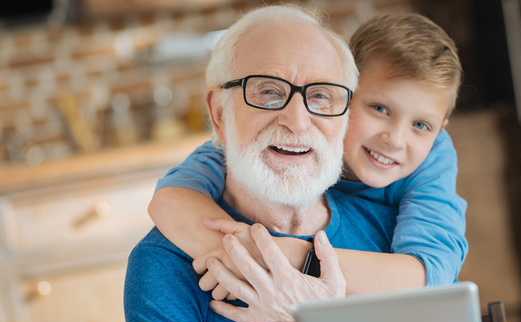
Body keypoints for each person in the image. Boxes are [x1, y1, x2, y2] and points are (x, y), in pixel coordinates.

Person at [124, 5, 500, 322]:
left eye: (321, 97)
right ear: (218, 113)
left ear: (340, 112)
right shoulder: (167, 260)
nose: (297, 121)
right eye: (268, 92)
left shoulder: (394, 225)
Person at [147, 12, 468, 303]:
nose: (396, 139)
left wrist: (285, 254)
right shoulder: (269, 141)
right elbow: (171, 200)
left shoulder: (431, 157)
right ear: (340, 95)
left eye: (421, 125)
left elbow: (429, 274)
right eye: (380, 109)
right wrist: (237, 261)